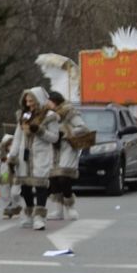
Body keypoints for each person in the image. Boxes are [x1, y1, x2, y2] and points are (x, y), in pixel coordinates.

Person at [7, 87, 59, 230]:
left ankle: (39, 216)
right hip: (24, 157)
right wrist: (12, 155)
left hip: (40, 155)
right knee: (25, 187)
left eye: (32, 101)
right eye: (27, 101)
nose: (29, 104)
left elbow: (54, 138)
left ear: (39, 100)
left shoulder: (50, 116)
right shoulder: (24, 115)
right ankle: (29, 212)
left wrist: (40, 131)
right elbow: (18, 137)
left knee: (41, 185)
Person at [45, 90, 86, 222]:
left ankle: (70, 206)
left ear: (54, 101)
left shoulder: (69, 112)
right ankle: (58, 209)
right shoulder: (46, 115)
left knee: (63, 177)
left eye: (48, 101)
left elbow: (83, 128)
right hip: (52, 148)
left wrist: (66, 131)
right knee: (53, 179)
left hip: (67, 147)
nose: (46, 104)